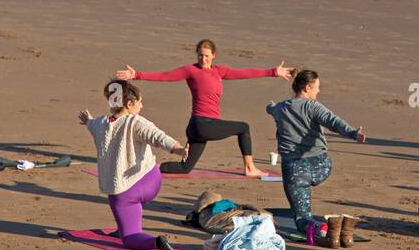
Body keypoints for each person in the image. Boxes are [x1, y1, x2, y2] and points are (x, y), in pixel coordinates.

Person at [115, 39, 292, 177]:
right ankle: (250, 167)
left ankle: (150, 168)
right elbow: (166, 76)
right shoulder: (191, 71)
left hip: (198, 128)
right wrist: (136, 75)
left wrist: (273, 72)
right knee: (243, 128)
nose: (203, 59)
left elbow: (244, 73)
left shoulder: (219, 71)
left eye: (206, 55)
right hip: (202, 124)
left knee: (185, 168)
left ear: (213, 55)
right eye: (200, 55)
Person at [80, 80, 188, 250]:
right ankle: (123, 223)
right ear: (129, 104)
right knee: (131, 209)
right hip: (151, 181)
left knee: (130, 237)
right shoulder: (136, 122)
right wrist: (178, 149)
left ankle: (155, 241)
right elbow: (158, 137)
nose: (142, 105)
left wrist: (87, 120)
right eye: (140, 102)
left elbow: (91, 124)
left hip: (124, 192)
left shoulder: (99, 124)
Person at [266, 69, 366, 247]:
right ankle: (344, 231)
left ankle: (326, 229)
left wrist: (271, 106)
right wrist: (353, 133)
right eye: (317, 88)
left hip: (295, 171)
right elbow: (333, 121)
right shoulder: (313, 106)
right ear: (307, 87)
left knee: (302, 219)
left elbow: (271, 108)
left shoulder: (281, 108)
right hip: (322, 166)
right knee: (309, 177)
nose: (318, 91)